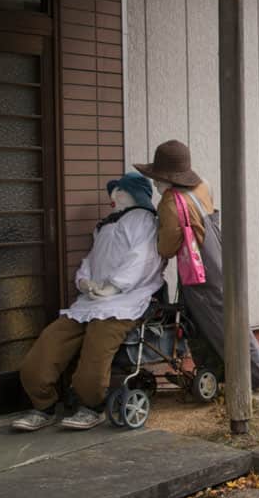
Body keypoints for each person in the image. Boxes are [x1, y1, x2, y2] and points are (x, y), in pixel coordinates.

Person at [136, 139, 259, 403]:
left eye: (156, 178)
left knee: (228, 330)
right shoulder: (200, 188)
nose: (155, 183)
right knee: (204, 327)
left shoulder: (170, 202)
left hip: (201, 276)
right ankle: (214, 376)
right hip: (219, 263)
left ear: (162, 177)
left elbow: (166, 247)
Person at [14, 172, 163, 431]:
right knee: (47, 347)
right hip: (89, 302)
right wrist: (84, 281)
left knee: (96, 354)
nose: (113, 196)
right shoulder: (105, 225)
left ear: (134, 195)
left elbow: (143, 259)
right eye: (113, 192)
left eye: (119, 191)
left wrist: (113, 286)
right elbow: (92, 259)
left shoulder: (144, 220)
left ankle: (91, 406)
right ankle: (43, 406)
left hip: (124, 302)